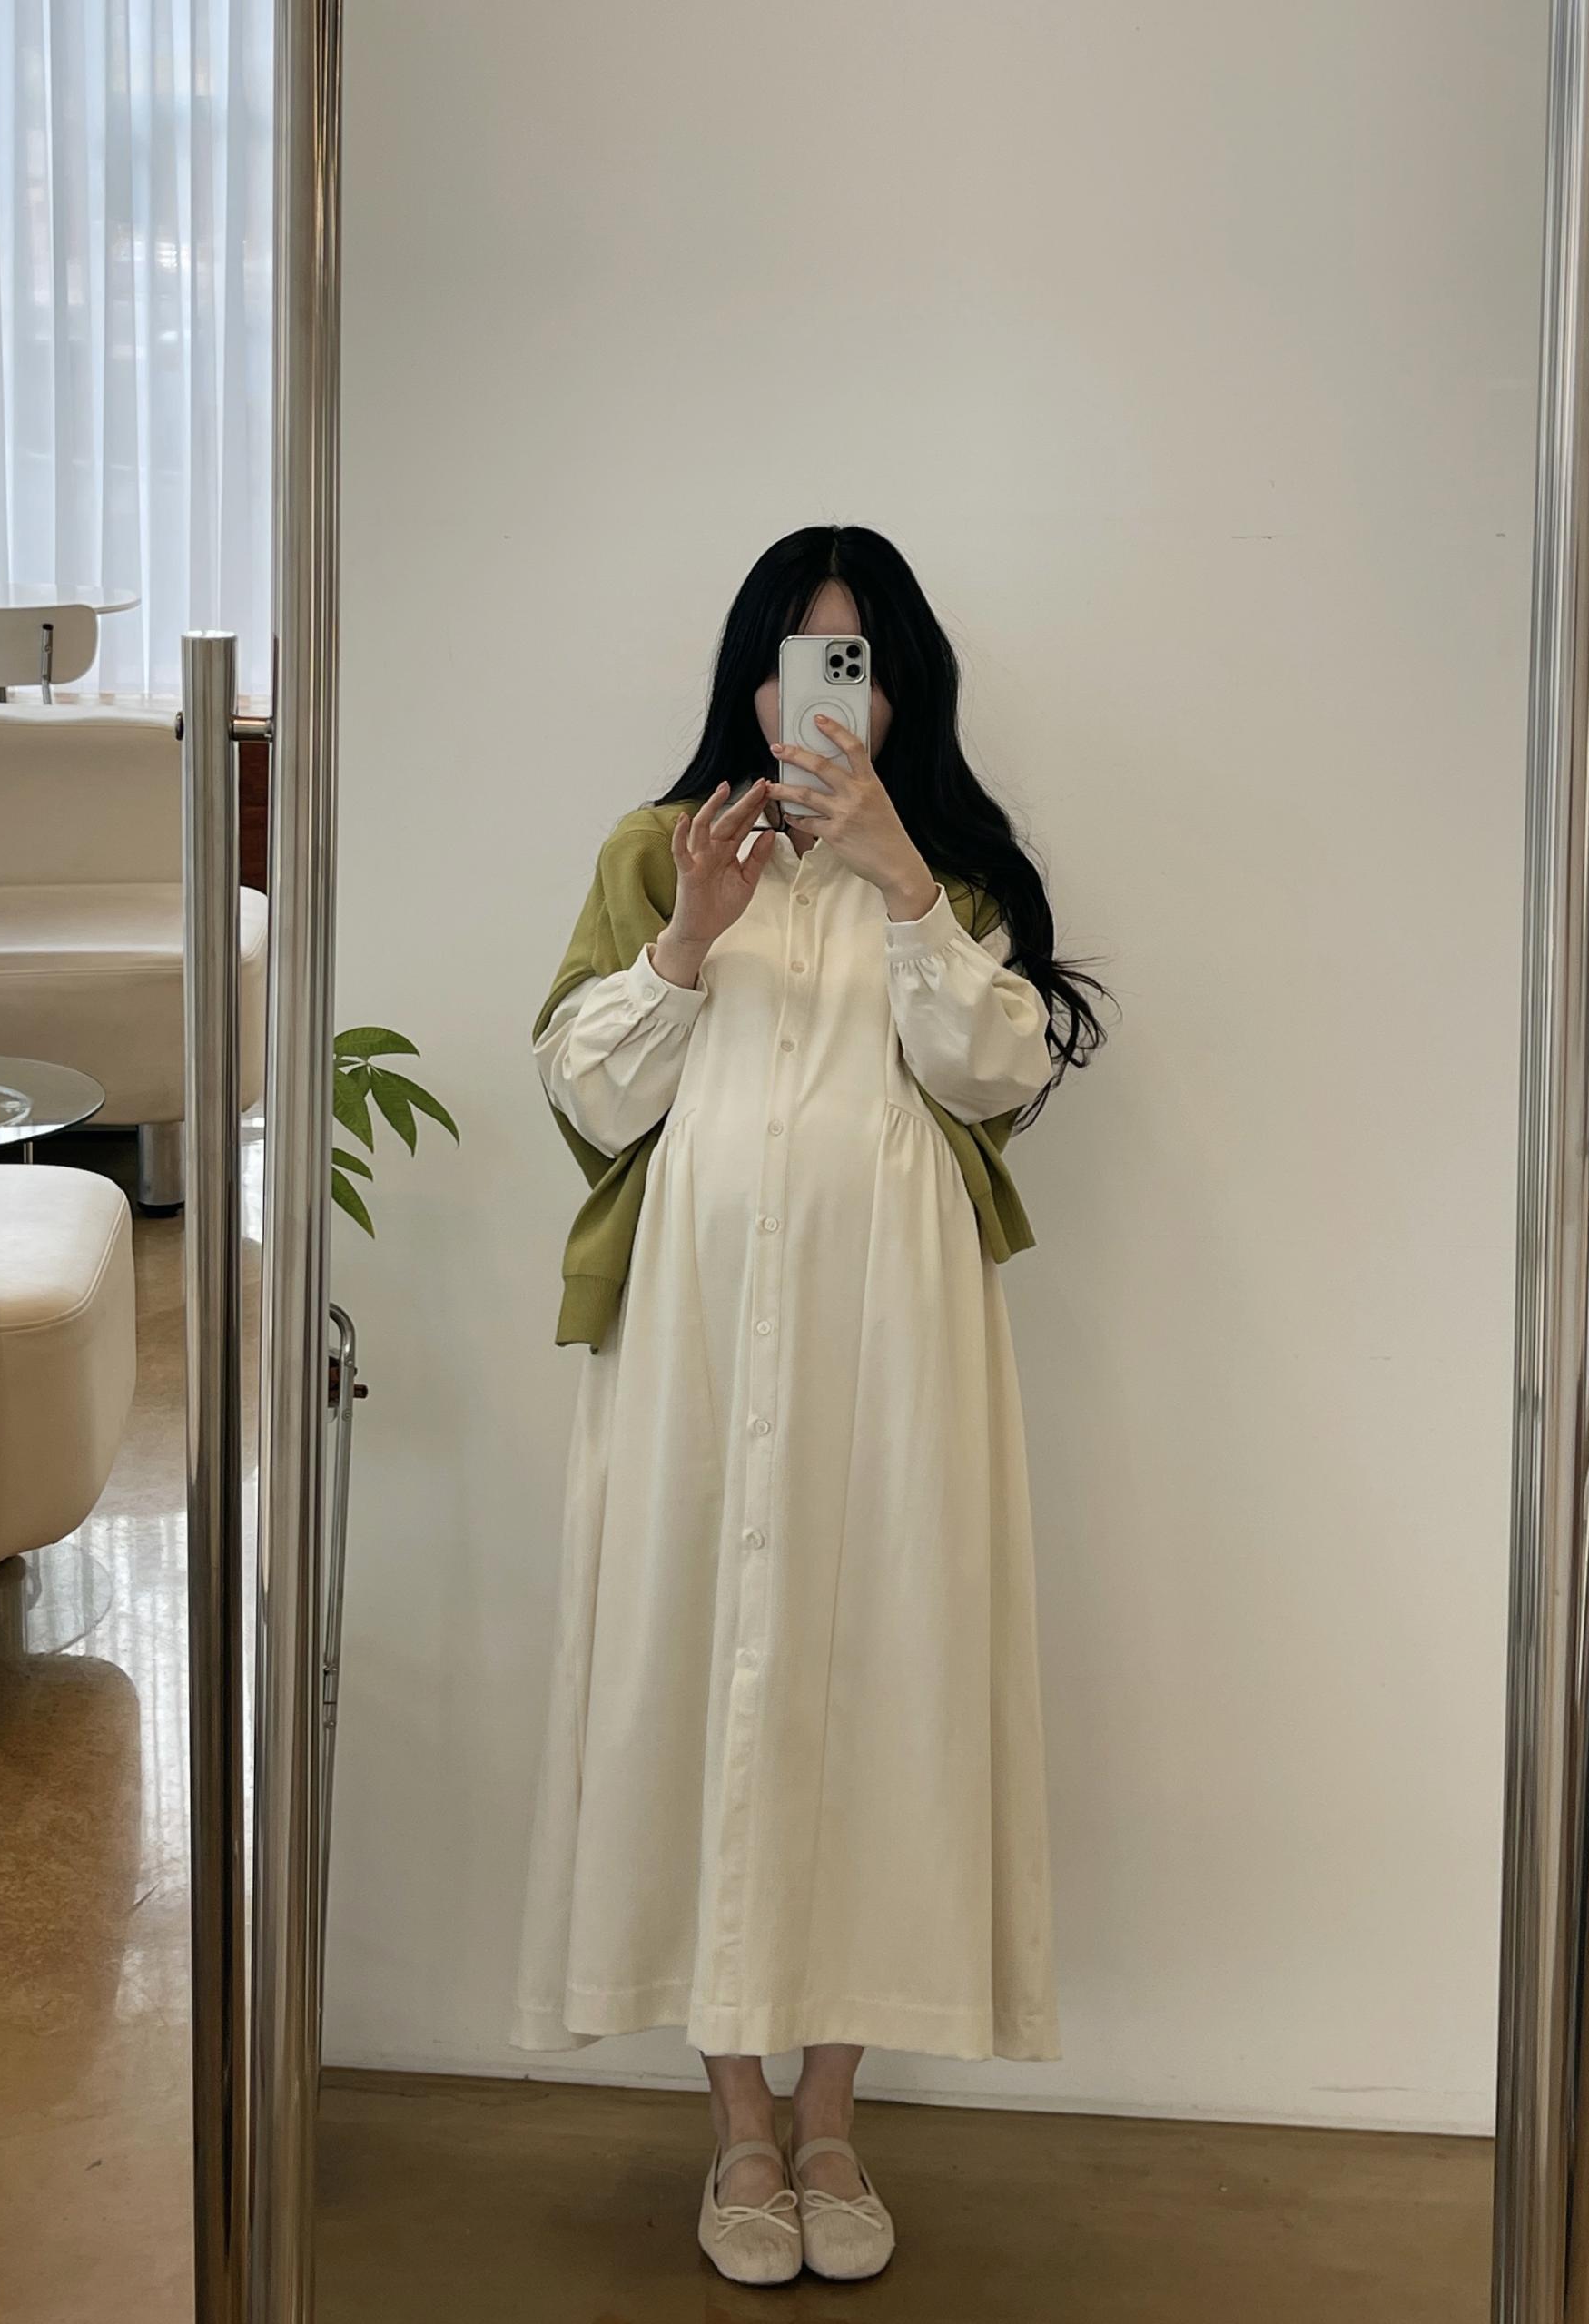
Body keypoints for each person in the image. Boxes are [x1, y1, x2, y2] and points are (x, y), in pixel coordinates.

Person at [513, 523, 1107, 2285]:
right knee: (695, 1673)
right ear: (752, 681)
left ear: (898, 687)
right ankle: (738, 2128)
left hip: (898, 1350)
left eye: (854, 662)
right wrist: (688, 938)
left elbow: (991, 1069)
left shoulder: (955, 873)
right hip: (695, 1346)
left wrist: (904, 877)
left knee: (880, 1686)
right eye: (795, 661)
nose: (819, 698)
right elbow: (591, 1096)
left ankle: (831, 2117)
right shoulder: (660, 850)